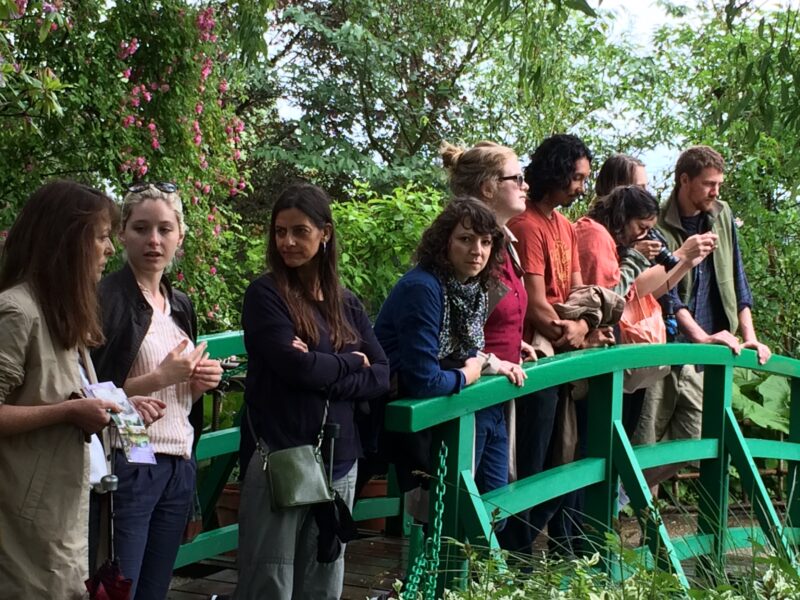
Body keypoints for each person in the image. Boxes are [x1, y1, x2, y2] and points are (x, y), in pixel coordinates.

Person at [235, 183, 390, 599]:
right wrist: (348, 361)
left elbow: (381, 374)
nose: (287, 241)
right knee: (270, 580)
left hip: (339, 460)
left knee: (324, 577)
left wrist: (323, 368)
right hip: (281, 455)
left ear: (325, 233)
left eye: (300, 231)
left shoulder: (346, 303)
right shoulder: (266, 295)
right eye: (279, 231)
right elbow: (296, 369)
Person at [91, 182, 222, 599]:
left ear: (180, 236)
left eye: (165, 229)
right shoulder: (106, 299)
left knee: (156, 588)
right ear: (123, 233)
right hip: (128, 459)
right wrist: (161, 377)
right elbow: (85, 389)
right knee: (118, 587)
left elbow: (176, 401)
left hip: (177, 461)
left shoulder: (179, 303)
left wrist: (197, 384)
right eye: (141, 228)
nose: (153, 240)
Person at [0, 181, 127, 598]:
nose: (110, 249)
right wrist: (67, 413)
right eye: (103, 236)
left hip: (61, 513)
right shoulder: (18, 312)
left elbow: (66, 393)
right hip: (21, 524)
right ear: (68, 240)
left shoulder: (61, 311)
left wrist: (124, 404)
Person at [497, 134, 614, 555]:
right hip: (537, 362)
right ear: (557, 172)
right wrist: (578, 329)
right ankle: (514, 551)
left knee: (564, 459)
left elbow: (582, 295)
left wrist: (582, 325)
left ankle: (528, 546)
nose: (582, 187)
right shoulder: (526, 225)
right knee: (531, 463)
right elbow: (536, 306)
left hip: (565, 355)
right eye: (578, 178)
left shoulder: (565, 226)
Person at [633, 145, 771, 488]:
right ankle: (622, 508)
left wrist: (748, 333)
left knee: (696, 437)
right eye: (709, 184)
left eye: (718, 184)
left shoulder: (721, 214)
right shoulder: (658, 226)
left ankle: (621, 496)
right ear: (684, 180)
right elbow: (669, 294)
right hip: (666, 344)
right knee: (644, 441)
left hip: (706, 350)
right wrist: (699, 335)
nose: (716, 191)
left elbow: (737, 278)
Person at [375, 197, 507, 509]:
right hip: (390, 410)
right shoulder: (423, 288)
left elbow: (465, 351)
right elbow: (423, 379)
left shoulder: (469, 287)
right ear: (443, 243)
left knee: (492, 499)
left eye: (486, 242)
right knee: (450, 509)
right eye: (465, 239)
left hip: (435, 405)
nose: (477, 251)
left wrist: (492, 363)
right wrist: (470, 373)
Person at [574, 184, 715, 435]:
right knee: (597, 438)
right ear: (622, 217)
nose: (645, 236)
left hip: (613, 352)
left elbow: (644, 291)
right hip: (597, 353)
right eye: (642, 228)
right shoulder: (595, 234)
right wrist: (676, 254)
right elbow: (613, 296)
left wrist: (686, 262)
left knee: (617, 436)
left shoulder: (612, 239)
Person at [439, 141, 532, 497]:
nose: (526, 186)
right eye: (517, 177)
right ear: (488, 188)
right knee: (460, 506)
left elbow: (488, 312)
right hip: (466, 392)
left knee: (494, 508)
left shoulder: (503, 243)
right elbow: (450, 320)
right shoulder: (463, 248)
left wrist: (514, 341)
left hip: (496, 391)